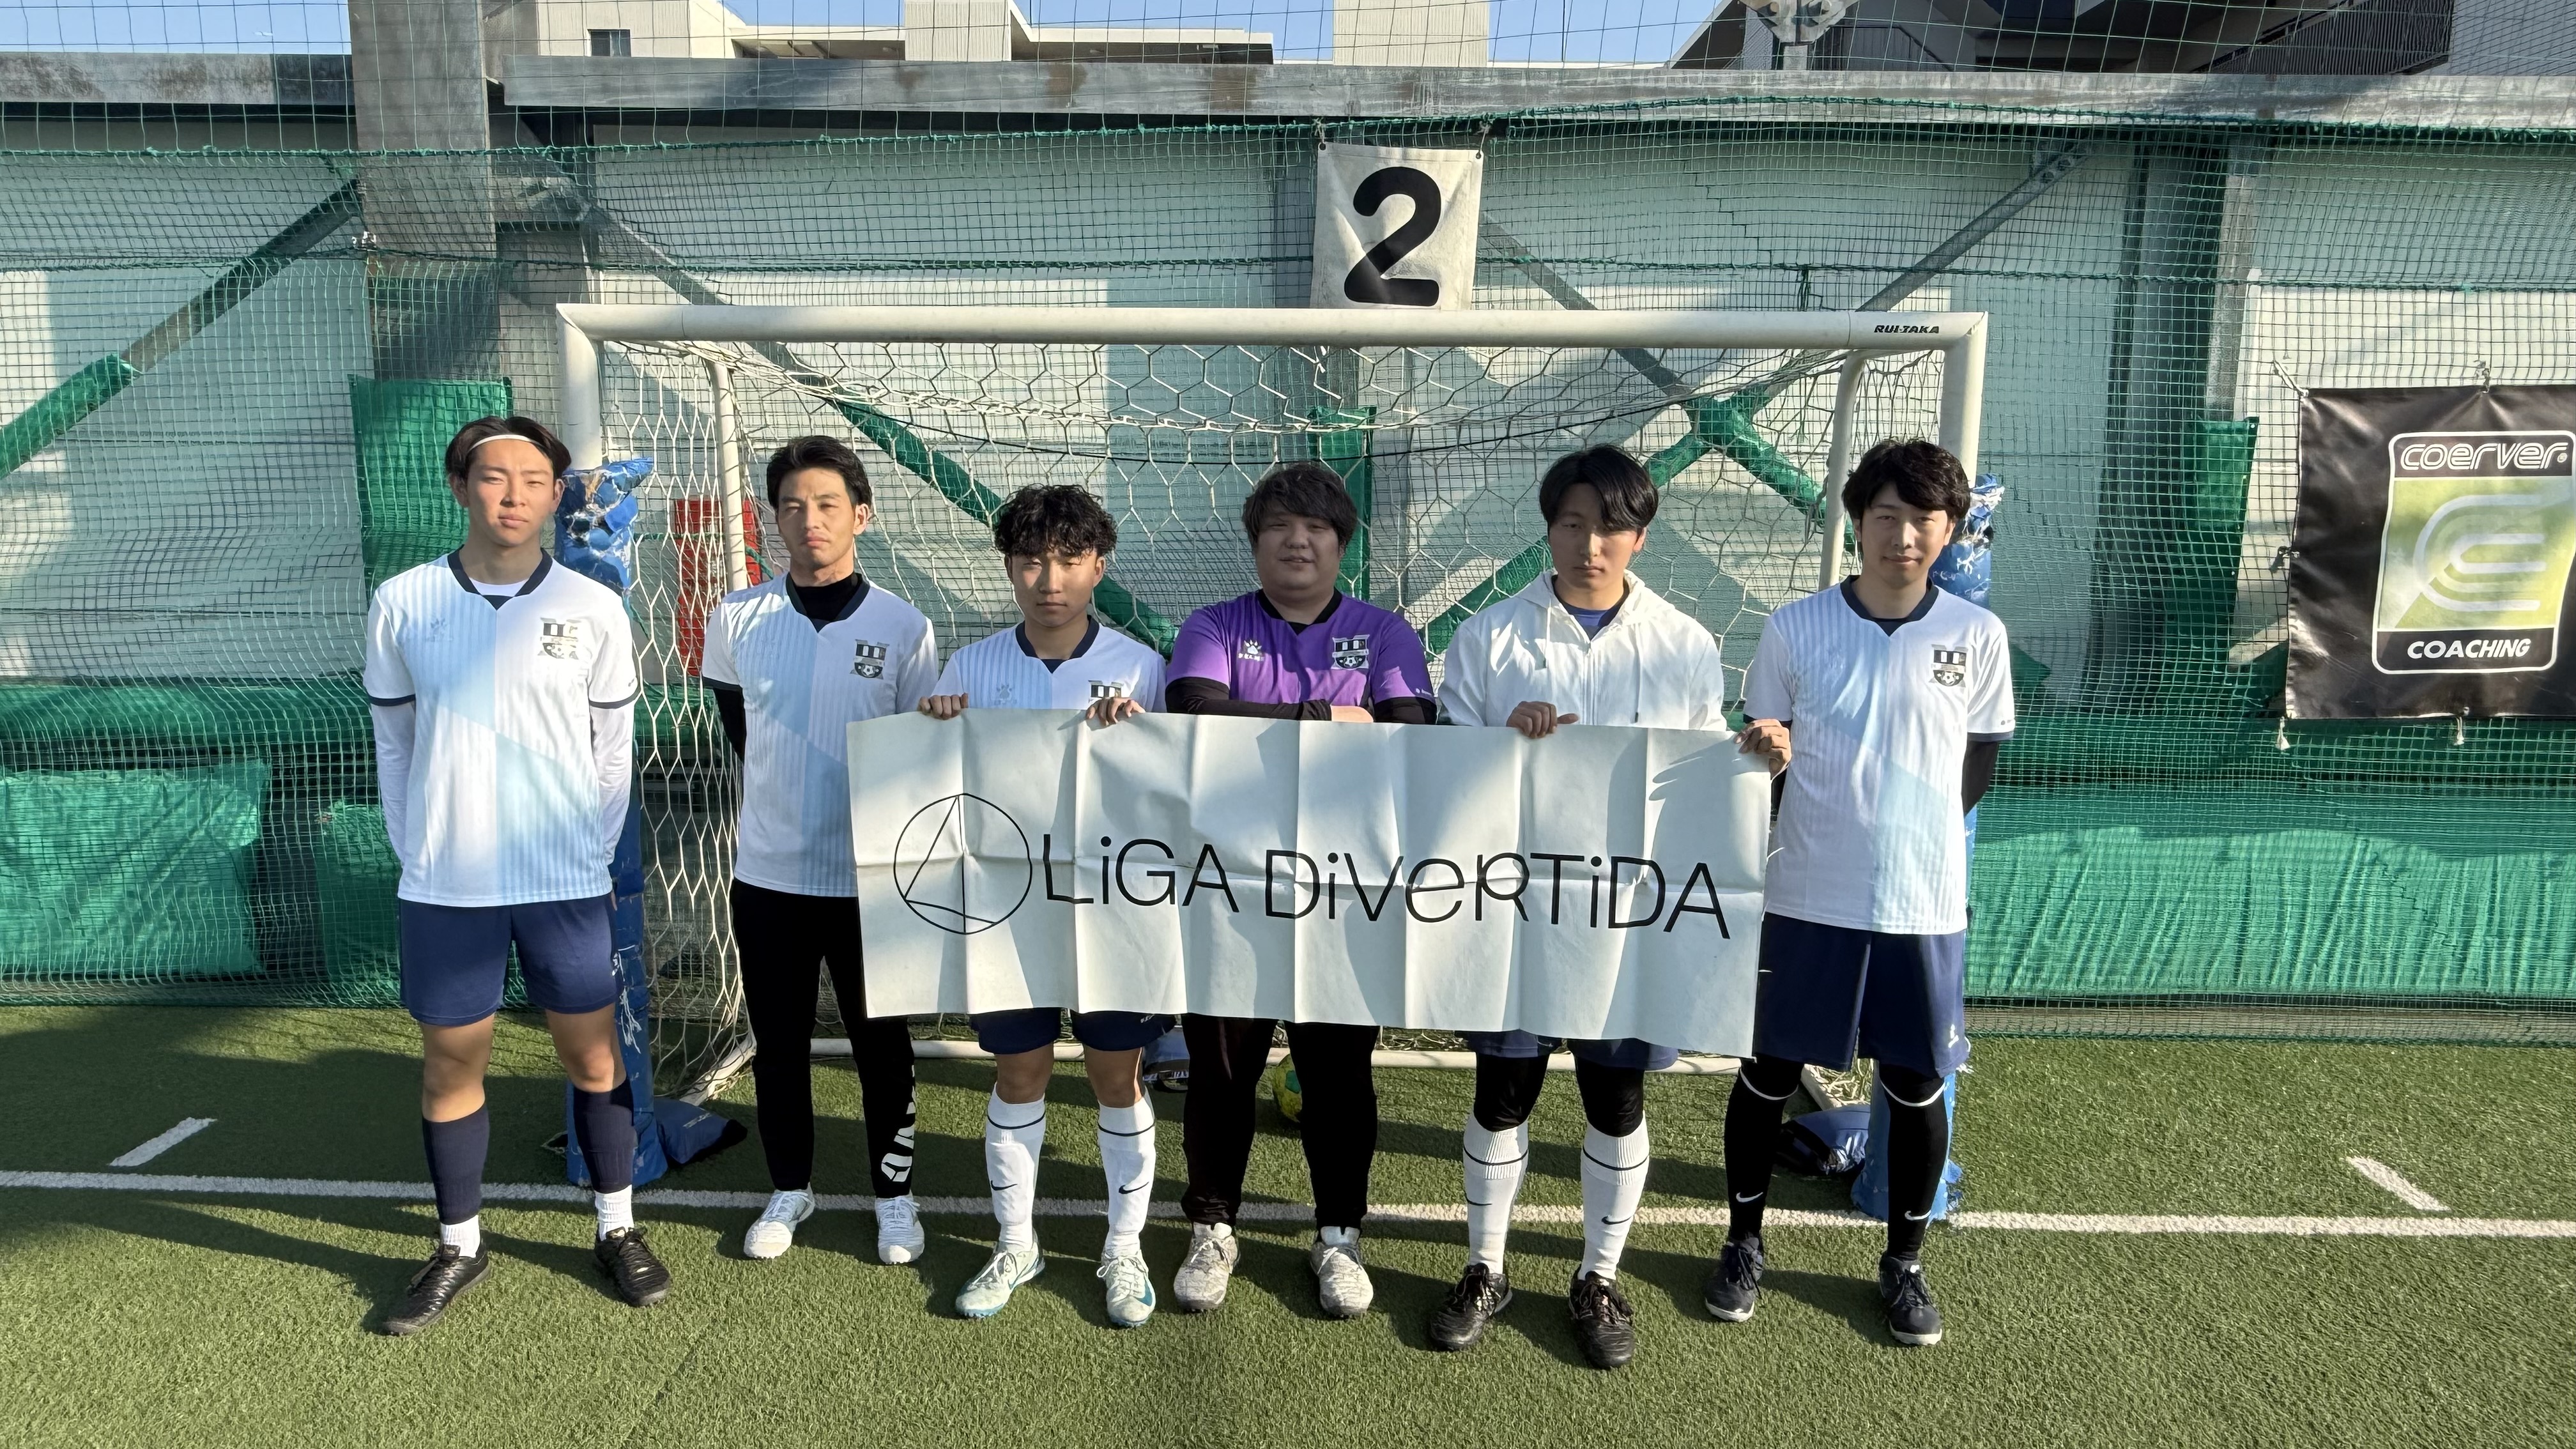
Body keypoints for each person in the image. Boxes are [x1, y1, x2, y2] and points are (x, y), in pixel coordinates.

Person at [1427, 445, 1729, 1369]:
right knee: (1503, 1090)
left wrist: (1758, 758)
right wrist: (1501, 742)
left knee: (1617, 1096)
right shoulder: (1490, 637)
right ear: (1548, 528)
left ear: (1640, 536)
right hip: (1515, 910)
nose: (1589, 544)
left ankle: (1599, 1275)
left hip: (1631, 917)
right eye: (1571, 523)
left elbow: (1706, 777)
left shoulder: (1684, 644)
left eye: (1609, 527)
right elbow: (1443, 769)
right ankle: (1485, 1267)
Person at [1711, 438, 2013, 1349]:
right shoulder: (1795, 627)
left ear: (1949, 530)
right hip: (1808, 893)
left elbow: (1978, 761)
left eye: (1924, 519)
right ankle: (1742, 1243)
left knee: (1916, 1083)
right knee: (1767, 1073)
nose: (1903, 536)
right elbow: (1764, 749)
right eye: (1886, 516)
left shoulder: (1978, 636)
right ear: (1857, 522)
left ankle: (1904, 1263)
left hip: (1924, 904)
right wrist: (1777, 761)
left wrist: (1912, 836)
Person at [365, 416, 663, 1334]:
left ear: (556, 495)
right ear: (461, 487)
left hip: (563, 881)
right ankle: (459, 1244)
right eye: (494, 478)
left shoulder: (593, 607)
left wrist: (586, 851)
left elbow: (611, 751)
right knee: (452, 1063)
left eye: (535, 481)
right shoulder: (404, 600)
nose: (514, 495)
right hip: (448, 887)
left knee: (593, 1057)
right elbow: (395, 743)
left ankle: (616, 1227)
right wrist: (422, 852)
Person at [1160, 460, 1437, 1320]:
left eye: (1315, 527)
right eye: (1279, 526)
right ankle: (1212, 1226)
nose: (1297, 540)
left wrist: (1290, 728)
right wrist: (1323, 720)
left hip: (1344, 897)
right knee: (1221, 1070)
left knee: (1339, 1075)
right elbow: (1196, 714)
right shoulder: (1214, 624)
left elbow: (1410, 732)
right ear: (1255, 543)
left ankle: (1339, 1236)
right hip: (1228, 891)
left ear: (1341, 543)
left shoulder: (1384, 633)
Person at [913, 484, 1172, 1326]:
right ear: (1009, 567)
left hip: (1110, 911)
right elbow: (935, 789)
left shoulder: (1141, 667)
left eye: (1068, 560)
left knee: (1114, 1075)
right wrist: (934, 726)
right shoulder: (971, 667)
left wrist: (1140, 734)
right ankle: (1015, 1242)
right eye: (1031, 560)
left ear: (1099, 566)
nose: (1048, 580)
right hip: (1007, 912)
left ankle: (1123, 1247)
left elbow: (1173, 795)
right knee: (1019, 1071)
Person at [701, 435, 938, 1268]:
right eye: (793, 505)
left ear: (861, 515)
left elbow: (917, 752)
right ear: (774, 518)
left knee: (884, 1047)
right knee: (780, 1043)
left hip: (871, 878)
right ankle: (789, 1188)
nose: (810, 520)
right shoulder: (736, 618)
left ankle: (895, 1198)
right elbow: (743, 733)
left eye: (828, 504)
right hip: (770, 875)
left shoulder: (905, 627)